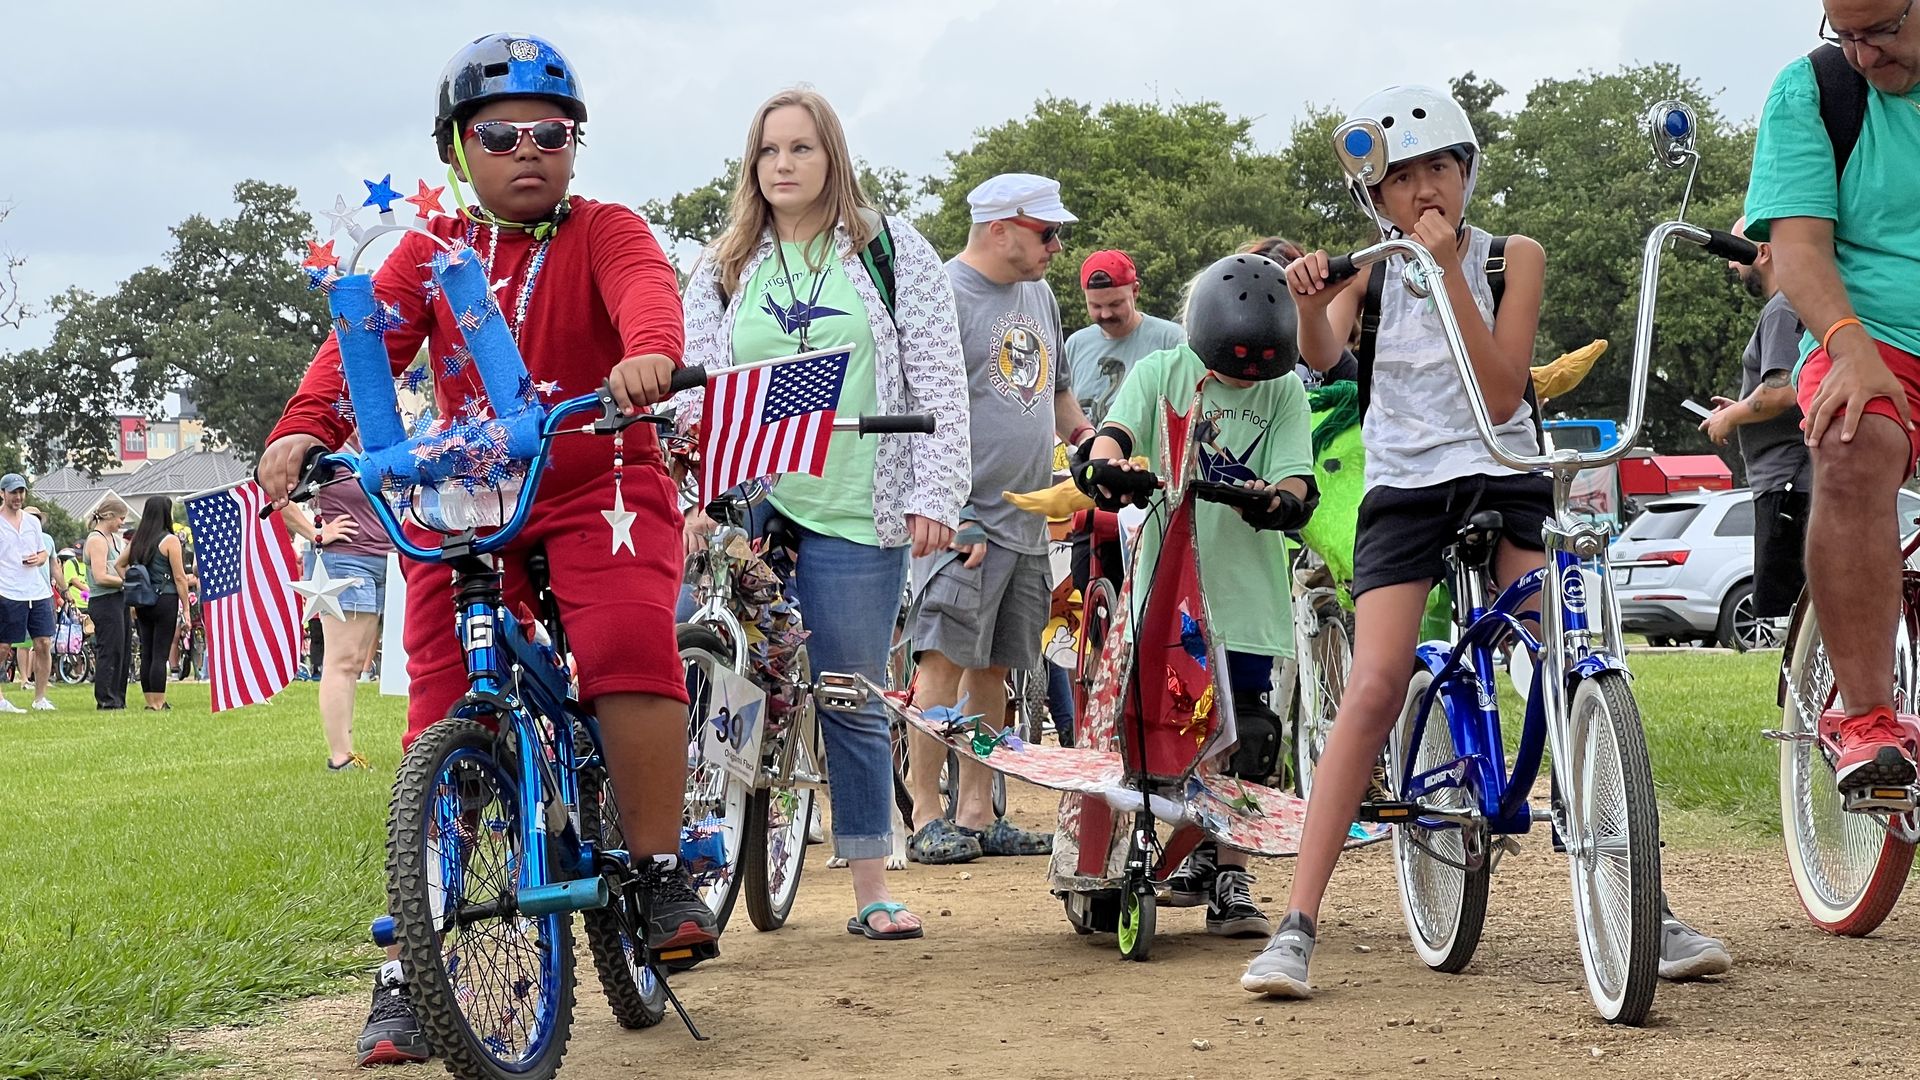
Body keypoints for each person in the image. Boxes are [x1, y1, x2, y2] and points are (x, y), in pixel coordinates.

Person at [257, 34, 711, 1065]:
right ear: (460, 147)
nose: (528, 149)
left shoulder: (606, 230)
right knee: (438, 696)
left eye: (553, 132)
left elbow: (647, 290)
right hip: (473, 495)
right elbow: (358, 343)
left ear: (575, 145)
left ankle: (654, 869)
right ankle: (423, 952)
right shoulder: (430, 251)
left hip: (602, 474)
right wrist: (303, 423)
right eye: (499, 133)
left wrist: (647, 356)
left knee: (630, 642)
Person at [1241, 85, 1728, 998]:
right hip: (1402, 487)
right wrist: (1312, 299)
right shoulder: (1367, 269)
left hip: (1504, 464)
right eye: (1404, 178)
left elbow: (1504, 392)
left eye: (1441, 170)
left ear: (1467, 174)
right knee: (1379, 679)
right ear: (1374, 196)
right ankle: (1296, 925)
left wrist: (1450, 275)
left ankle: (1647, 909)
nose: (1425, 191)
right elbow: (1319, 361)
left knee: (1562, 641)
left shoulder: (1513, 258)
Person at [679, 86, 969, 938]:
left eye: (801, 149)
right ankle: (699, 845)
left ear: (831, 156)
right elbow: (694, 387)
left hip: (854, 497)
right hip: (753, 492)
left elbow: (939, 378)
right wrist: (694, 493)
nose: (784, 165)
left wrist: (933, 495)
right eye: (770, 151)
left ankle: (872, 880)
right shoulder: (726, 261)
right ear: (752, 164)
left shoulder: (887, 251)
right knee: (715, 664)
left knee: (848, 689)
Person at [1076, 252, 1318, 937]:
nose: (1244, 380)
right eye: (1232, 368)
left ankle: (1231, 871)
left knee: (1250, 738)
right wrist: (1107, 467)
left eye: (1254, 371)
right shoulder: (1162, 373)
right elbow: (1114, 435)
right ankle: (1155, 853)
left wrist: (1280, 501)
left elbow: (1298, 478)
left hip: (1249, 598)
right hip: (1170, 591)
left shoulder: (1282, 391)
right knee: (1163, 733)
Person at [1745, 0, 1920, 794]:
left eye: (1882, 31)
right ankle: (1867, 721)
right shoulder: (1812, 93)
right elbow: (1799, 249)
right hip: (1871, 330)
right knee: (1850, 440)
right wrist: (1849, 348)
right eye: (1843, 35)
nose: (1862, 57)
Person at [904, 173, 1094, 865]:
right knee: (942, 663)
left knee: (996, 671)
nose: (1056, 247)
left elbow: (1059, 391)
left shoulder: (1038, 294)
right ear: (1001, 228)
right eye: (1047, 233)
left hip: (1024, 519)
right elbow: (918, 413)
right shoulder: (944, 296)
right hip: (964, 522)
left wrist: (1088, 444)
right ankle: (927, 813)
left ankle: (977, 812)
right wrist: (952, 511)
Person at [1701, 218, 1810, 622]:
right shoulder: (1801, 302)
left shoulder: (1781, 308)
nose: (1731, 265)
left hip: (1788, 486)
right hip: (1798, 482)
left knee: (1787, 621)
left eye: (1734, 254)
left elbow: (1784, 391)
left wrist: (1732, 417)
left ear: (1762, 252)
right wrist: (1744, 407)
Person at [281, 462, 394, 771]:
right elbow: (276, 489)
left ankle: (346, 747)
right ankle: (340, 756)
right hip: (345, 560)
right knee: (342, 661)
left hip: (388, 560)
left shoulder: (377, 441)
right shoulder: (324, 449)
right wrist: (316, 532)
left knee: (356, 662)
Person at [1065, 249, 1186, 423]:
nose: (1106, 314)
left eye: (1115, 304)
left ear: (1135, 290)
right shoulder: (1075, 345)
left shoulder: (1172, 340)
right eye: (1096, 306)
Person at [116, 495, 192, 712]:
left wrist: (132, 584)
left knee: (147, 650)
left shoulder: (138, 539)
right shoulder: (169, 540)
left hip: (142, 602)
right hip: (165, 599)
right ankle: (159, 702)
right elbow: (179, 577)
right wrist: (186, 608)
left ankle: (150, 700)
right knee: (160, 652)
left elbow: (120, 565)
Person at [0, 475, 54, 714]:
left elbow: (43, 553)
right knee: (4, 646)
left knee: (43, 643)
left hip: (38, 591)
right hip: (8, 591)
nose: (18, 497)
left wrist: (38, 559)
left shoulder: (33, 522)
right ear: (2, 493)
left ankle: (40, 698)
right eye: (13, 493)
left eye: (21, 492)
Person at [84, 499, 131, 710]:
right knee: (110, 650)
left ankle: (118, 697)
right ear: (109, 516)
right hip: (104, 600)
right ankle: (106, 699)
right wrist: (127, 583)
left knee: (122, 650)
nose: (122, 523)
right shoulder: (97, 540)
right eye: (121, 518)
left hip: (118, 599)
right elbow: (100, 576)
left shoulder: (114, 539)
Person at [12, 506, 61, 705]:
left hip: (42, 593)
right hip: (13, 593)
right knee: (12, 644)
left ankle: (40, 697)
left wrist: (63, 592)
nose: (34, 520)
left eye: (37, 518)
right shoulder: (10, 531)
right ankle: (23, 678)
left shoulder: (47, 539)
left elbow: (51, 562)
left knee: (44, 643)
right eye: (31, 517)